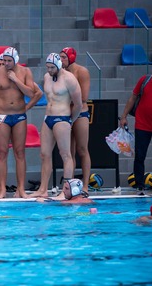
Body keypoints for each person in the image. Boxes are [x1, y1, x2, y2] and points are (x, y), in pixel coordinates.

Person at [0, 47, 42, 199]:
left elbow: (31, 93)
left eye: (9, 61)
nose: (6, 64)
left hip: (19, 116)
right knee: (1, 153)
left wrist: (15, 79)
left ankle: (21, 189)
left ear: (16, 60)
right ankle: (2, 190)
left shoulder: (25, 73)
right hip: (2, 116)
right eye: (4, 61)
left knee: (20, 153)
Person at [29, 53, 82, 198]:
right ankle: (43, 189)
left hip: (63, 118)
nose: (49, 70)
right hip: (48, 118)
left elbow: (78, 104)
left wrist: (70, 119)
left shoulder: (70, 79)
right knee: (44, 154)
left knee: (65, 155)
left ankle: (66, 190)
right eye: (47, 67)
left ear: (59, 65)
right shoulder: (47, 77)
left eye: (52, 67)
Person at [120, 71, 152, 195]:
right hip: (142, 125)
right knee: (140, 156)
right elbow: (133, 98)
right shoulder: (144, 80)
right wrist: (124, 116)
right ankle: (139, 186)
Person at [60, 47, 92, 194]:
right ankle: (69, 187)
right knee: (68, 152)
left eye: (63, 58)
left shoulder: (82, 72)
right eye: (60, 57)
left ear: (71, 58)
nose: (61, 60)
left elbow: (83, 98)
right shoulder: (60, 73)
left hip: (80, 114)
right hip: (65, 114)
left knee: (82, 150)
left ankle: (85, 186)